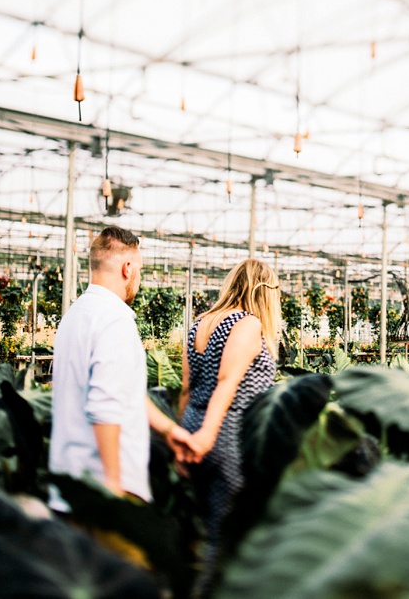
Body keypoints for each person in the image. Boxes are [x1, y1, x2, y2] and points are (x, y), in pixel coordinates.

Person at [48, 226, 195, 512]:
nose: (138, 279)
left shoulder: (75, 315)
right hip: (104, 494)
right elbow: (105, 406)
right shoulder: (115, 321)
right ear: (128, 269)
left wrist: (168, 430)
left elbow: (121, 389)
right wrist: (113, 487)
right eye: (139, 270)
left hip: (72, 485)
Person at [178, 258, 280, 586]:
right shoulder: (247, 324)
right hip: (230, 435)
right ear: (263, 290)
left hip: (196, 427)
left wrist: (185, 437)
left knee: (208, 528)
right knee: (233, 536)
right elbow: (227, 381)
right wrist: (208, 434)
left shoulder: (199, 323)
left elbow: (185, 388)